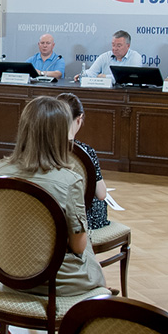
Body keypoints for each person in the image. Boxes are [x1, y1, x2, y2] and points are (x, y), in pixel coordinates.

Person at [0, 96, 106, 296]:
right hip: (57, 281)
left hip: (9, 275)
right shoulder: (71, 181)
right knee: (90, 254)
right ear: (61, 134)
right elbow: (78, 246)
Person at [56, 92, 123, 234]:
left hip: (52, 210)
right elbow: (101, 194)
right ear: (79, 119)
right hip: (82, 217)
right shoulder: (86, 151)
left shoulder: (42, 146)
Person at [76, 30, 143, 80]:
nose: (115, 48)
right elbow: (92, 72)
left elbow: (129, 78)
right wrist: (83, 75)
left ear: (128, 46)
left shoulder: (135, 57)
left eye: (119, 46)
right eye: (113, 45)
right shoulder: (105, 57)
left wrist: (104, 77)